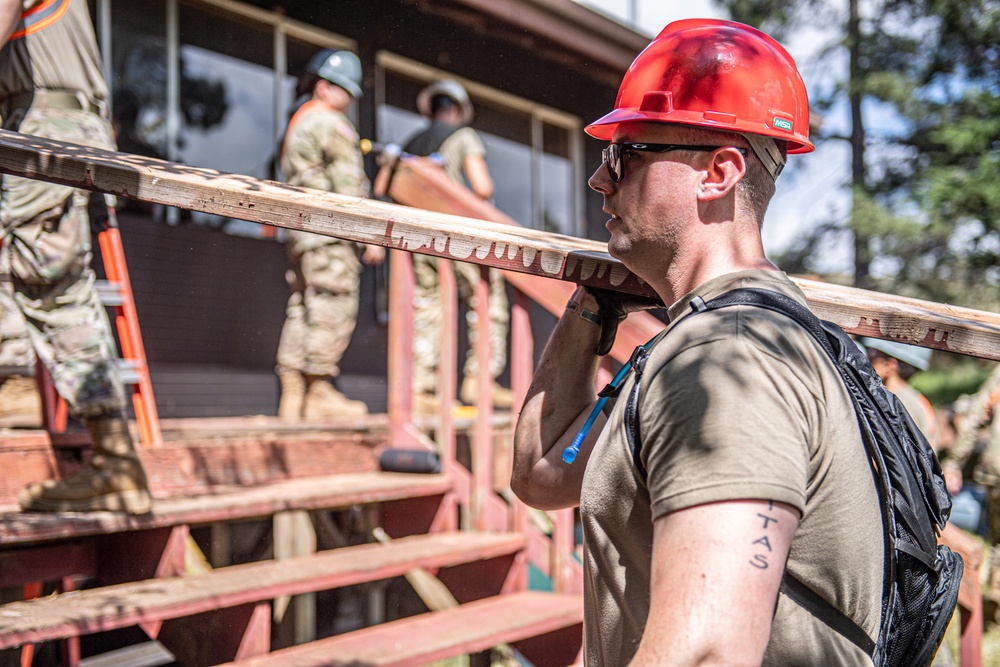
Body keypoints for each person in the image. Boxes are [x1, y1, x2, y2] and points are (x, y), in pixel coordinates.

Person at [511, 19, 884, 665]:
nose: (600, 180)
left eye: (625, 155)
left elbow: (706, 651)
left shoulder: (727, 357)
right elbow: (543, 471)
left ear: (718, 172)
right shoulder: (707, 334)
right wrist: (594, 302)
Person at [1, 0, 151, 513]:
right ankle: (114, 461)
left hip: (44, 123)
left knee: (43, 277)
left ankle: (18, 387)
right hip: (66, 123)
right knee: (53, 278)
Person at [275, 49, 384, 420]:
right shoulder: (330, 123)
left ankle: (292, 396)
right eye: (345, 91)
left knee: (303, 306)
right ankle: (318, 390)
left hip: (302, 235)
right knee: (333, 304)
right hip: (330, 235)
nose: (350, 100)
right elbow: (349, 186)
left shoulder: (298, 122)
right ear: (324, 87)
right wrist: (369, 236)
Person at [400, 79, 512, 413]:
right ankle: (480, 381)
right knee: (487, 299)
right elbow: (481, 187)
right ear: (456, 110)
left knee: (428, 305)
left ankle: (423, 388)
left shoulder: (413, 143)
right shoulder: (463, 136)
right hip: (458, 232)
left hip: (420, 237)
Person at [861, 337, 938, 449]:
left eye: (873, 353)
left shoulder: (895, 404)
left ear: (890, 366)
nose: (867, 359)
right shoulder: (916, 399)